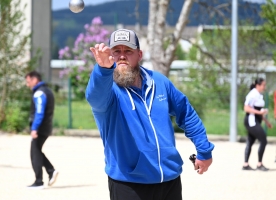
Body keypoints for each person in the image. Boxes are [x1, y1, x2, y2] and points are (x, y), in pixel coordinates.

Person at [86, 29, 215, 200]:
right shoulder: (108, 89)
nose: (122, 56)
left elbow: (186, 112)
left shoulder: (159, 82)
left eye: (128, 51)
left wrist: (204, 150)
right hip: (129, 183)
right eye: (116, 51)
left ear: (139, 54)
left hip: (170, 179)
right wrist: (103, 70)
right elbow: (95, 97)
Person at [25, 71, 59, 189]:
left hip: (40, 128)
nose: (27, 84)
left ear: (35, 80)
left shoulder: (39, 93)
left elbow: (39, 112)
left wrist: (34, 128)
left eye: (28, 82)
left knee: (34, 153)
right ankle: (51, 171)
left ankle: (39, 181)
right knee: (37, 151)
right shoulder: (47, 91)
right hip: (46, 127)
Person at [243, 78, 272, 171]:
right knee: (263, 140)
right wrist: (260, 113)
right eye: (263, 85)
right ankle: (259, 164)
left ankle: (245, 164)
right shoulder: (252, 94)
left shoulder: (259, 95)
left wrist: (266, 121)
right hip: (251, 121)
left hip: (256, 120)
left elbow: (258, 111)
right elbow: (246, 108)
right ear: (258, 85)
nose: (264, 87)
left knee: (250, 141)